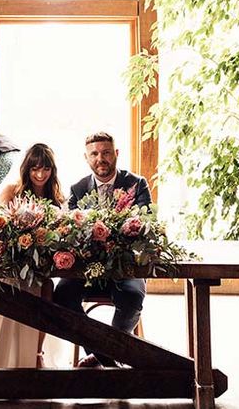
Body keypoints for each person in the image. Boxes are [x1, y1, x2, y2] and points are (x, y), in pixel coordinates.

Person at [53, 131, 152, 368]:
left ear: (116, 154)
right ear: (86, 158)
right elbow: (73, 232)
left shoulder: (136, 184)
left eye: (106, 152)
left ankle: (100, 355)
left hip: (125, 267)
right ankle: (106, 355)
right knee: (61, 296)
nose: (101, 159)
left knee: (132, 296)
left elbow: (145, 225)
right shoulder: (77, 189)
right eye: (94, 154)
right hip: (87, 268)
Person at [0, 143, 65, 369]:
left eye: (46, 169)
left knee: (46, 288)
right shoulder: (12, 190)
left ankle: (37, 352)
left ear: (52, 171)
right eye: (35, 168)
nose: (40, 174)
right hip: (11, 263)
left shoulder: (56, 197)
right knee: (10, 287)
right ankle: (3, 355)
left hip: (39, 267)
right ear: (26, 169)